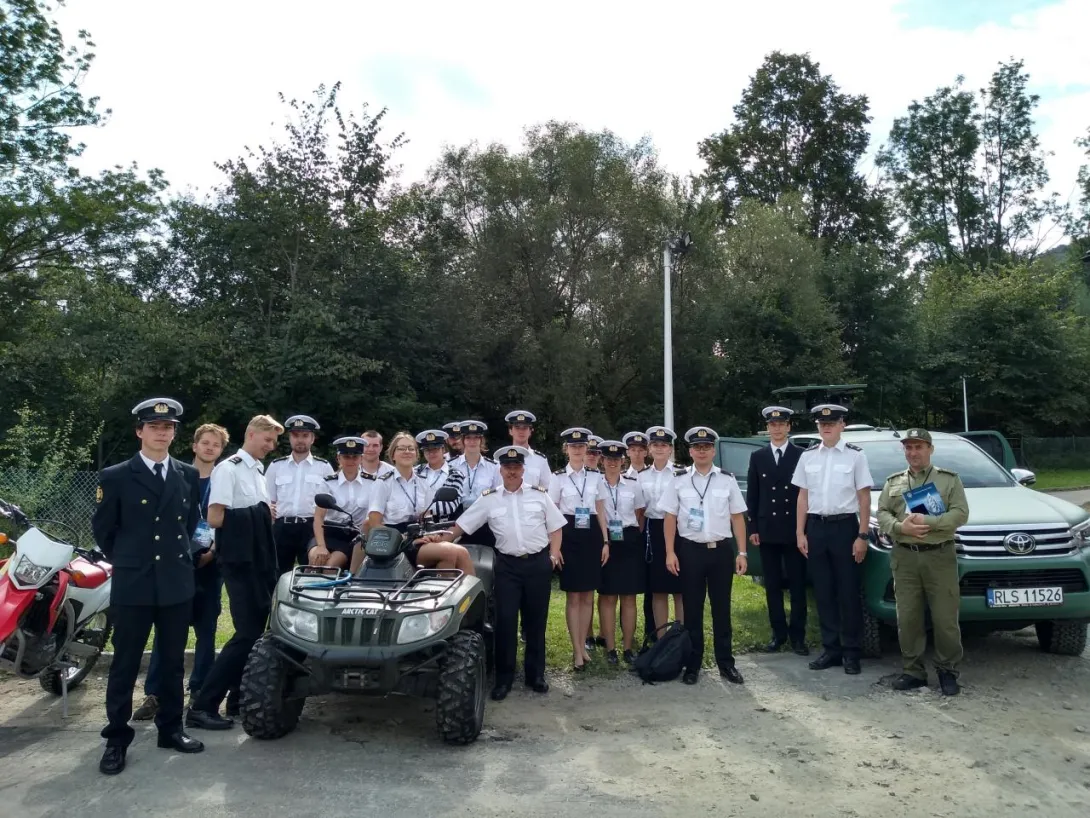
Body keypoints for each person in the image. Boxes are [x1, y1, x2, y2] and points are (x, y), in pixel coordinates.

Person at [93, 398, 204, 775]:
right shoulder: (116, 476)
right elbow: (104, 531)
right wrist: (131, 559)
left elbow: (188, 525)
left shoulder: (188, 474)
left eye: (168, 427)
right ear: (139, 431)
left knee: (172, 662)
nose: (162, 433)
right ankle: (116, 738)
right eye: (154, 427)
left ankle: (170, 729)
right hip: (134, 582)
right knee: (125, 663)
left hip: (175, 581)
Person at [428, 445, 565, 701]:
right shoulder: (489, 498)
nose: (512, 471)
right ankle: (504, 679)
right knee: (505, 622)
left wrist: (554, 555)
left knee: (536, 622)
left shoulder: (539, 495)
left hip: (537, 564)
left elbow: (556, 527)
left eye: (516, 467)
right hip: (507, 567)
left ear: (523, 469)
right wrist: (439, 539)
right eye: (507, 467)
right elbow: (461, 526)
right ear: (500, 470)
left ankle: (536, 675)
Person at [187, 415, 282, 730]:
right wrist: (259, 514)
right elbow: (215, 517)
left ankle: (237, 699)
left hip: (258, 560)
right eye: (267, 439)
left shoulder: (258, 470)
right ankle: (203, 705)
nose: (271, 446)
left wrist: (264, 515)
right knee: (246, 634)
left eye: (274, 441)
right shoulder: (229, 469)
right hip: (238, 562)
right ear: (251, 434)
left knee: (256, 632)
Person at [134, 422, 230, 722]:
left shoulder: (225, 479)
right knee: (166, 631)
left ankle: (199, 690)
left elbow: (228, 521)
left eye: (216, 444)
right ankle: (156, 693)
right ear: (194, 445)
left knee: (206, 630)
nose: (210, 448)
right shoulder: (175, 475)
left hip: (210, 565)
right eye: (205, 442)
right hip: (175, 565)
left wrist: (212, 552)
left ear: (221, 450)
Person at [877, 428, 969, 695]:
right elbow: (882, 512)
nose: (913, 452)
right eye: (909, 447)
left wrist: (929, 521)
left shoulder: (948, 480)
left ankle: (947, 670)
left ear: (930, 449)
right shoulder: (894, 482)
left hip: (939, 556)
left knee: (945, 619)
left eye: (918, 447)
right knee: (908, 617)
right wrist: (899, 527)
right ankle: (913, 671)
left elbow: (960, 513)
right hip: (905, 557)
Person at [661, 426, 748, 685]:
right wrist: (670, 552)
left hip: (720, 551)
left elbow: (737, 517)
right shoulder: (678, 480)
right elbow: (670, 518)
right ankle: (693, 664)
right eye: (697, 447)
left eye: (706, 447)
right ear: (690, 451)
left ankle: (726, 663)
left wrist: (742, 552)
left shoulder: (726, 479)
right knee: (692, 610)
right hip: (690, 552)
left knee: (722, 609)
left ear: (713, 451)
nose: (702, 451)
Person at [792, 404, 873, 675]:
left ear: (842, 425)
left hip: (845, 528)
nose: (826, 427)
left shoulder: (855, 456)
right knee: (823, 591)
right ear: (818, 426)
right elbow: (802, 497)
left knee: (848, 592)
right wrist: (800, 532)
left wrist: (862, 535)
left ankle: (851, 651)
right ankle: (831, 649)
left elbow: (864, 497)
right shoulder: (808, 456)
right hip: (816, 528)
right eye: (822, 423)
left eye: (832, 423)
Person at [365, 432, 475, 574]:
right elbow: (374, 524)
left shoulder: (423, 482)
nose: (407, 452)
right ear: (393, 455)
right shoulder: (383, 483)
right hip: (393, 542)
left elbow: (427, 517)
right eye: (401, 448)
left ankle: (441, 589)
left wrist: (432, 534)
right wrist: (406, 539)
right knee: (456, 551)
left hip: (419, 537)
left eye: (411, 448)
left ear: (417, 455)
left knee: (451, 558)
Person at [747, 406, 808, 656]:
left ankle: (798, 637)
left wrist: (803, 530)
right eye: (773, 425)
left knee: (797, 585)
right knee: (772, 585)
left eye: (782, 424)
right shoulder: (758, 456)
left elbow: (806, 493)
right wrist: (753, 526)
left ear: (789, 427)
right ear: (768, 428)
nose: (777, 428)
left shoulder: (801, 455)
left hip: (794, 529)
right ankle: (778, 634)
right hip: (768, 529)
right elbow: (753, 494)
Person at [549, 427, 608, 670]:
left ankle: (584, 645)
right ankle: (576, 650)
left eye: (581, 446)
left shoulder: (595, 476)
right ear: (566, 449)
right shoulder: (558, 477)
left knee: (588, 596)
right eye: (573, 446)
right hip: (568, 534)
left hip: (592, 535)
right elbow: (552, 512)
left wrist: (605, 541)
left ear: (586, 449)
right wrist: (556, 546)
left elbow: (601, 510)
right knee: (573, 596)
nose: (577, 450)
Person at [596, 440, 647, 664]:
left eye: (617, 459)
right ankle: (610, 648)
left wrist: (631, 535)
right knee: (608, 596)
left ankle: (627, 647)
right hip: (606, 540)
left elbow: (640, 514)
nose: (613, 463)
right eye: (609, 459)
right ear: (602, 460)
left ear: (622, 461)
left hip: (629, 540)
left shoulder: (633, 484)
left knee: (629, 597)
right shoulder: (595, 483)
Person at [265, 415, 334, 575]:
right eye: (296, 435)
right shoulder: (276, 466)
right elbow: (268, 499)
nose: (300, 440)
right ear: (290, 438)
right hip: (282, 527)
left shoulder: (323, 467)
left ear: (312, 439)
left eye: (305, 435)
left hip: (311, 528)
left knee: (310, 575)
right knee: (276, 575)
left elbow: (329, 504)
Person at [639, 425, 684, 637]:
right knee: (658, 588)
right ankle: (661, 639)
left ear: (670, 449)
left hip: (678, 529)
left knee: (679, 588)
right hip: (653, 530)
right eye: (655, 445)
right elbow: (640, 509)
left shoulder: (681, 473)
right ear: (649, 449)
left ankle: (680, 637)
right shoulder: (641, 476)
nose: (659, 448)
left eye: (664, 445)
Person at [309, 437, 374, 570]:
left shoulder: (372, 483)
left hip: (354, 536)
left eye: (355, 457)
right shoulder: (328, 483)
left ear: (361, 458)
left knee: (330, 567)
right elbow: (319, 517)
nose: (351, 461)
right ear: (338, 458)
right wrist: (321, 546)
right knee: (315, 561)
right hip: (327, 533)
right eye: (346, 457)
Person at [450, 420, 500, 548]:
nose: (472, 442)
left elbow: (497, 496)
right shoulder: (451, 465)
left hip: (485, 522)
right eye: (468, 438)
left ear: (481, 440)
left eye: (476, 438)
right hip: (457, 519)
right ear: (462, 440)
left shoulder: (493, 467)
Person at [414, 429, 465, 519]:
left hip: (444, 524)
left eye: (435, 449)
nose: (431, 453)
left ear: (443, 450)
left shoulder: (455, 474)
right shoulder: (416, 471)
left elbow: (451, 504)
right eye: (427, 450)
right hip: (415, 522)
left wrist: (426, 512)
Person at [505, 410, 551, 488]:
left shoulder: (540, 460)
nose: (521, 431)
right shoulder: (500, 459)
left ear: (530, 431)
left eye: (525, 428)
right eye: (517, 427)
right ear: (510, 431)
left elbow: (548, 489)